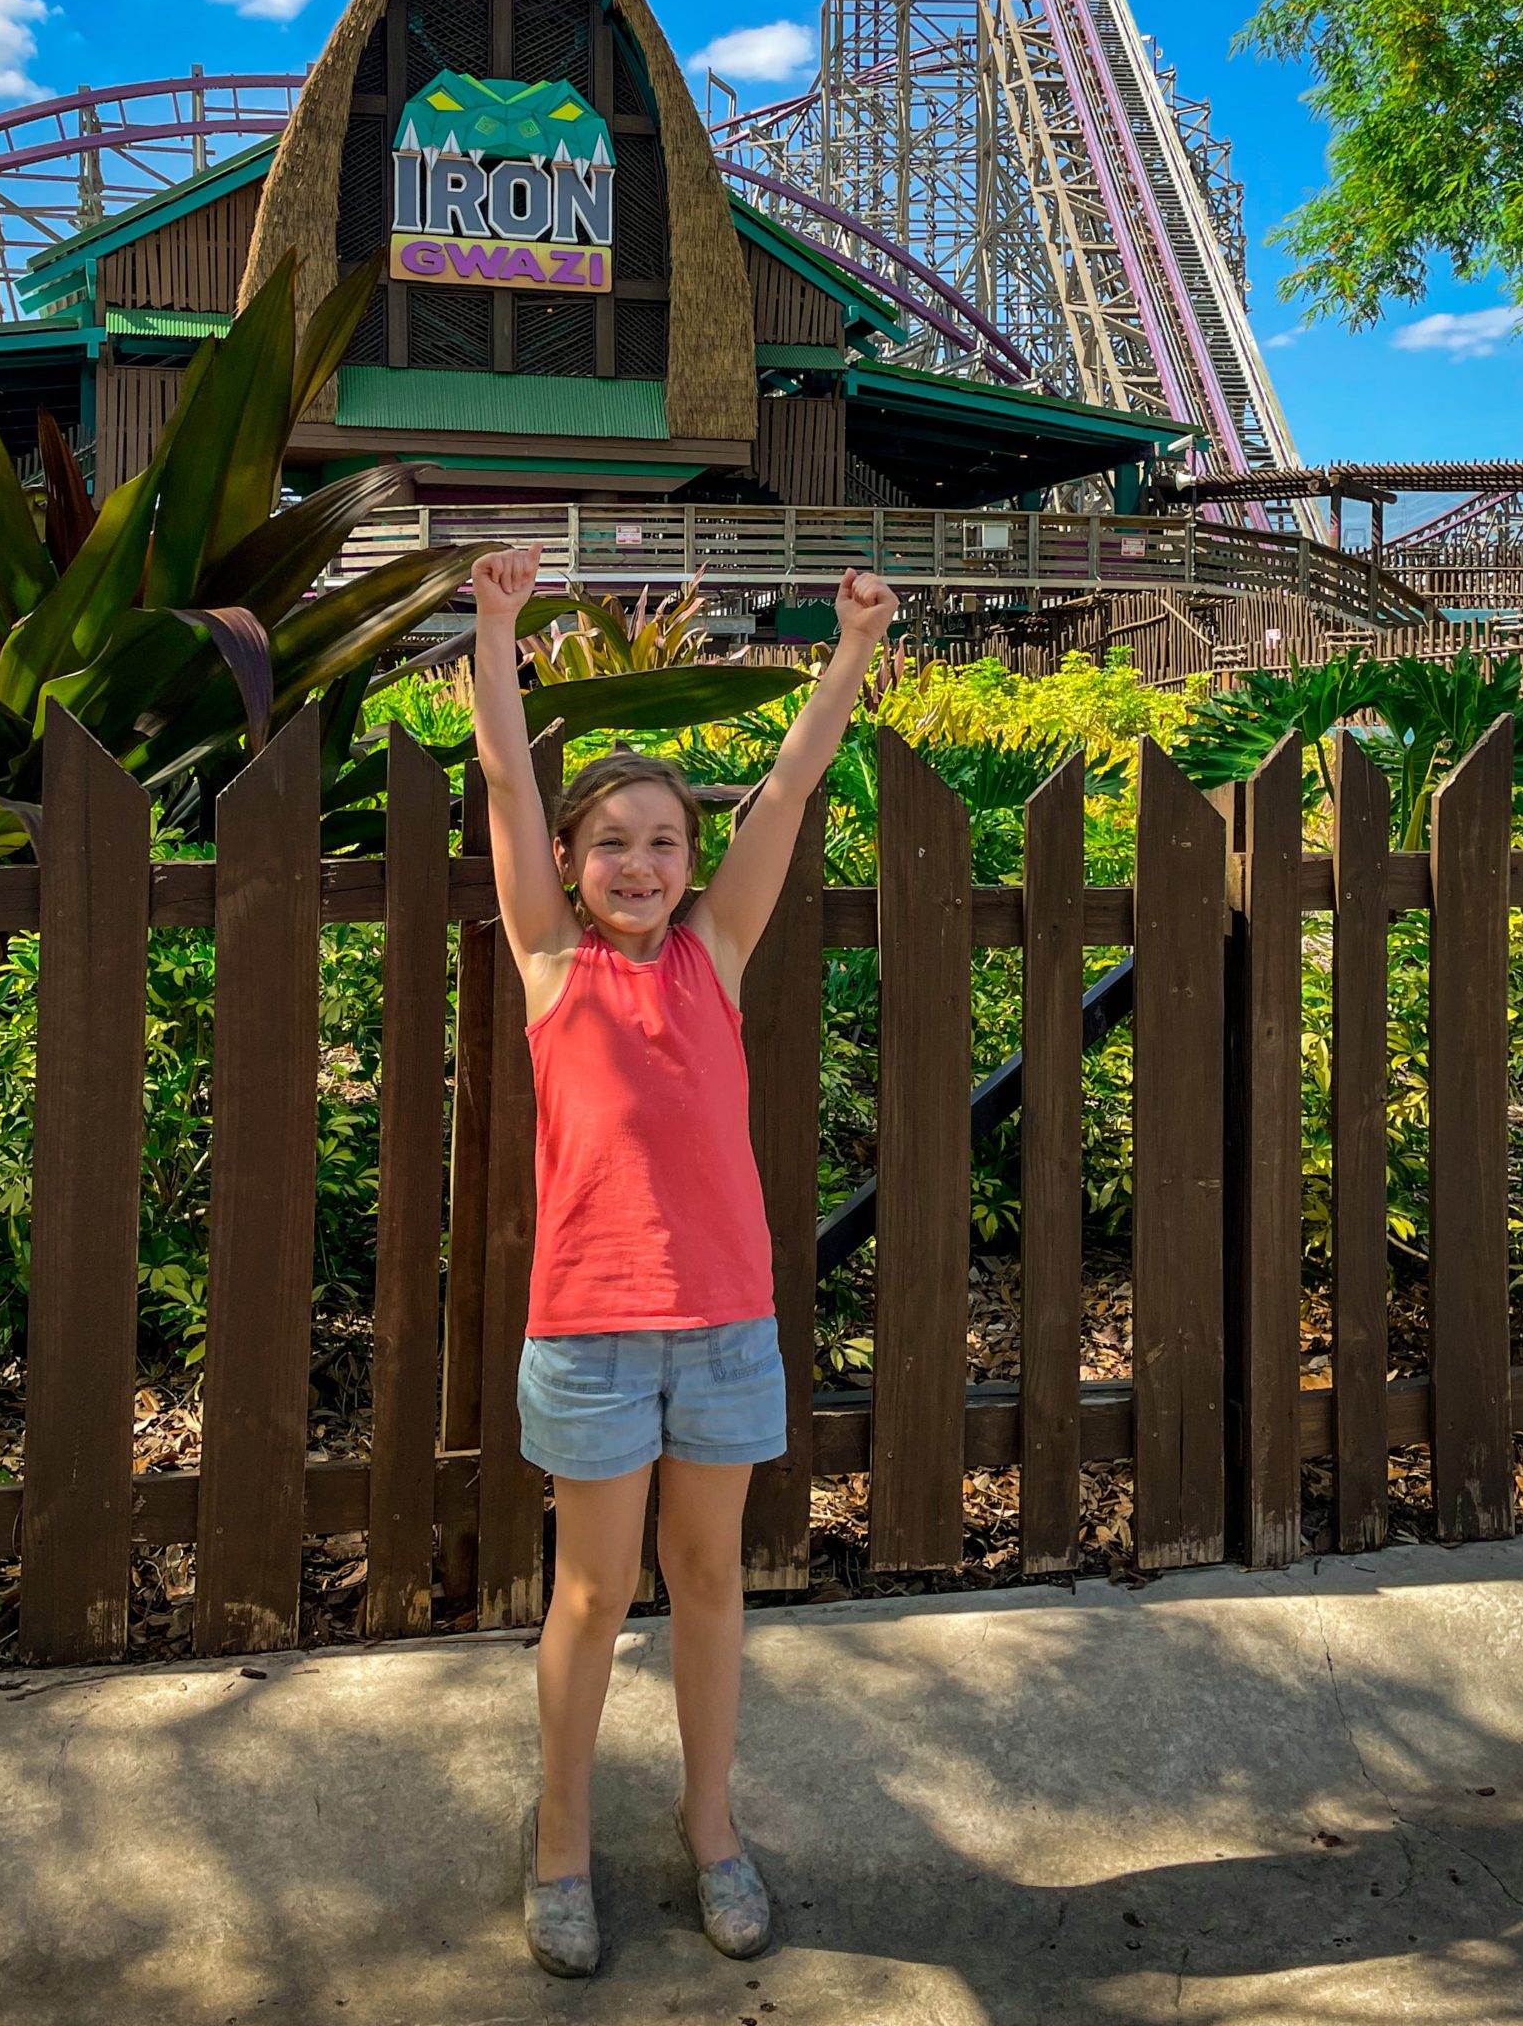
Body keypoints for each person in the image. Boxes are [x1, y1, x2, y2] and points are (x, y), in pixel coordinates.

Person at [469, 543, 901, 1979]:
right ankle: (562, 1840)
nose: (640, 863)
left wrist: (847, 651)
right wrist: (496, 627)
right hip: (590, 1330)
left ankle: (714, 1828)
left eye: (663, 841)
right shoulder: (549, 962)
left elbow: (785, 790)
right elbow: (507, 790)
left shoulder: (715, 954)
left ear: (688, 863)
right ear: (576, 870)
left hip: (724, 1323)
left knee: (709, 1582)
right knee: (591, 1597)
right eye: (613, 845)